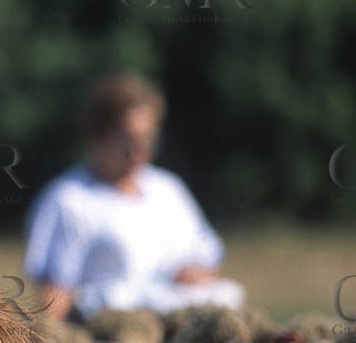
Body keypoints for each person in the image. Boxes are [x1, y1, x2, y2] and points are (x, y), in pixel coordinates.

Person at [23, 72, 243, 320]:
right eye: (127, 141)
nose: (138, 152)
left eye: (147, 140)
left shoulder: (168, 190)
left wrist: (191, 275)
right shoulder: (69, 200)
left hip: (177, 320)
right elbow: (55, 292)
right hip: (112, 328)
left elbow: (207, 255)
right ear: (97, 137)